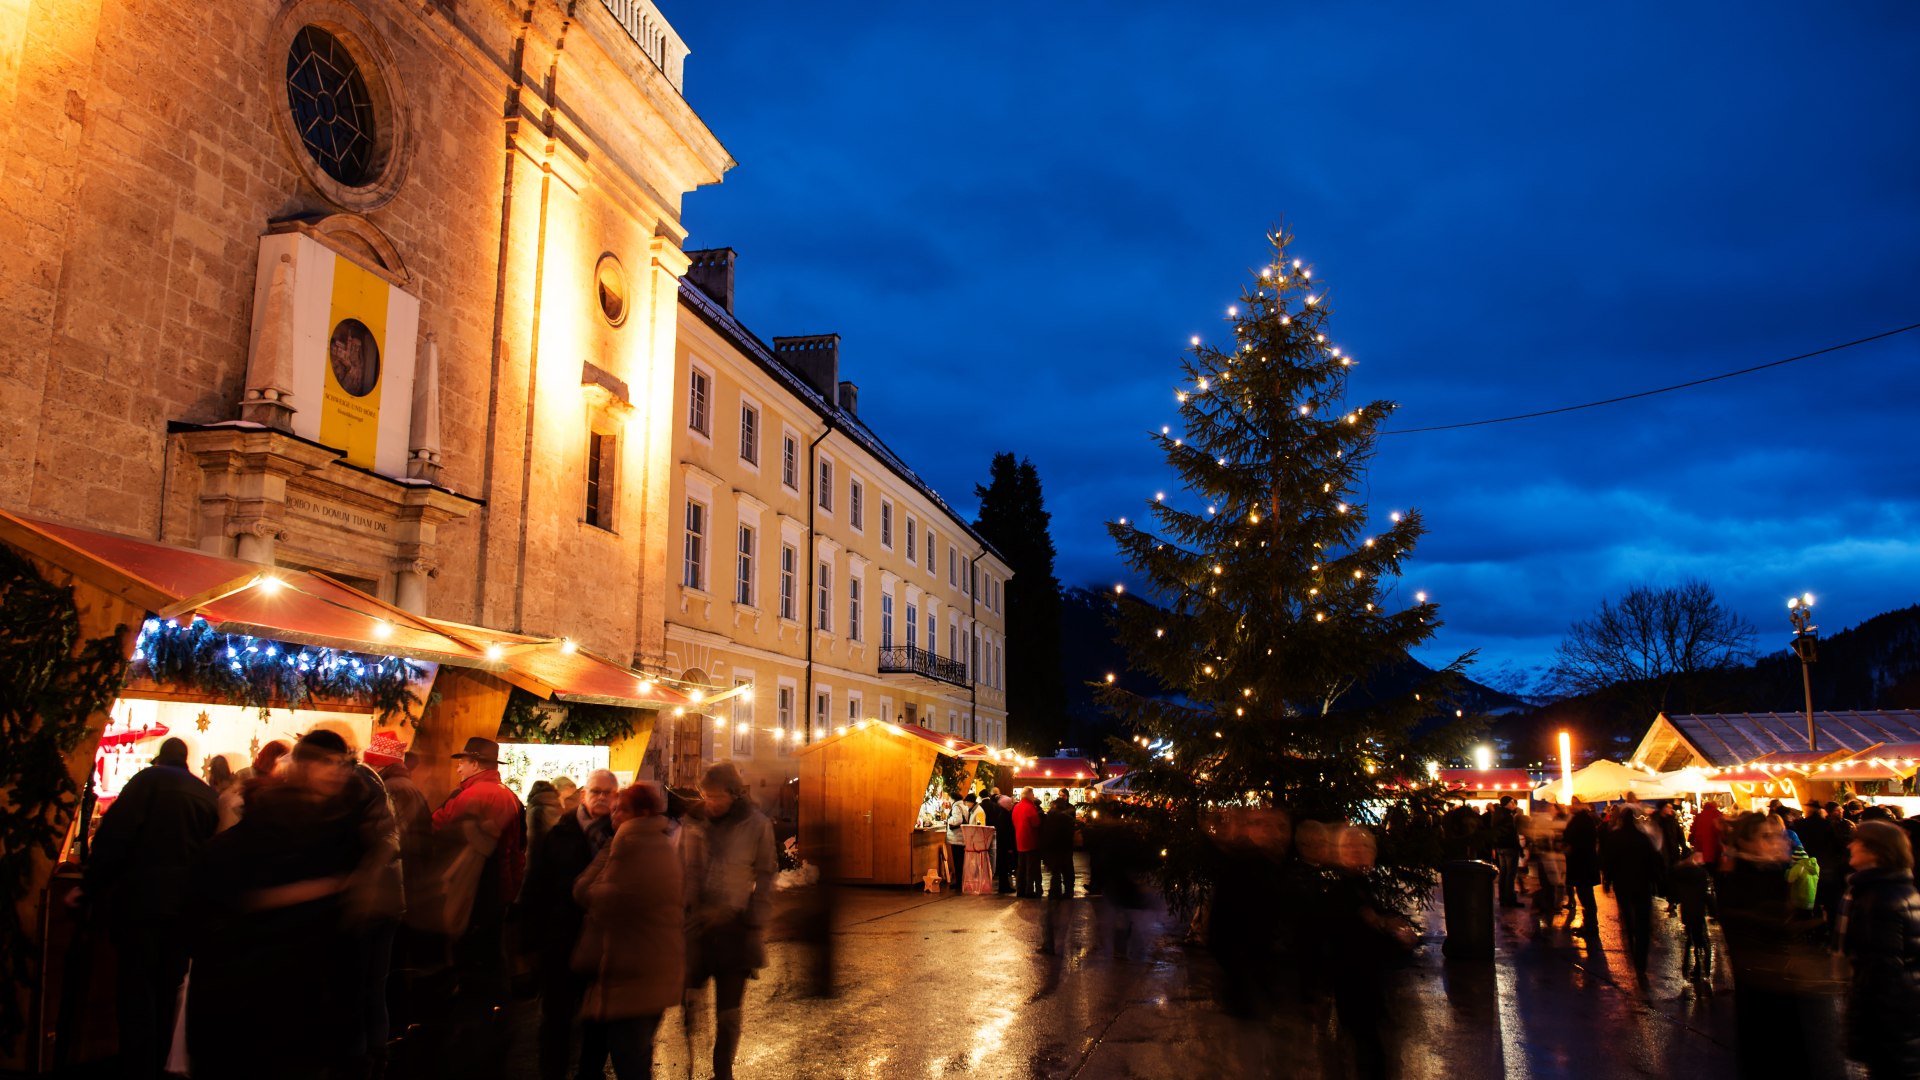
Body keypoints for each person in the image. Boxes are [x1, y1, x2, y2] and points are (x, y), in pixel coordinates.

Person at [187, 729, 368, 1080]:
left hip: (305, 1004)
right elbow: (222, 906)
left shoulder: (342, 829)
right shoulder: (269, 823)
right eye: (325, 763)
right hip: (251, 1002)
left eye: (340, 764)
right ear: (300, 767)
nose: (334, 772)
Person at [78, 737, 215, 1080]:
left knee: (136, 989)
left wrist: (89, 885)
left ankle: (136, 1067)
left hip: (141, 903)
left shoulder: (146, 783)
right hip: (184, 908)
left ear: (159, 757)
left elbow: (115, 838)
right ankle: (161, 1063)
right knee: (169, 989)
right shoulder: (204, 793)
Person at [572, 783, 683, 1079]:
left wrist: (594, 890)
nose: (613, 812)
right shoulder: (627, 843)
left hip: (637, 973)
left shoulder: (640, 846)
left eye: (622, 808)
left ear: (642, 813)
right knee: (609, 1054)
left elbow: (598, 897)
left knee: (630, 1059)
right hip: (626, 971)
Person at [430, 736, 526, 1069]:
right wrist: (512, 888)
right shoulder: (510, 796)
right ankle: (497, 1011)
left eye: (462, 762)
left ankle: (473, 1033)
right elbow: (519, 850)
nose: (457, 767)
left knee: (470, 954)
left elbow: (436, 826)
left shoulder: (470, 795)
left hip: (473, 888)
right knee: (493, 952)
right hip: (500, 888)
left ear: (474, 764)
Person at [519, 768, 617, 1080]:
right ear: (584, 795)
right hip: (562, 939)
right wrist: (530, 941)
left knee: (599, 1021)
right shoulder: (560, 833)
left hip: (603, 945)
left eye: (607, 792)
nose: (601, 797)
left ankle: (590, 1073)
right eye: (595, 791)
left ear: (616, 797)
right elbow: (536, 884)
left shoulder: (621, 834)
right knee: (556, 1019)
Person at [682, 762, 776, 1080]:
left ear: (734, 794)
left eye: (717, 795)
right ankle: (688, 1067)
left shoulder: (756, 825)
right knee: (690, 1006)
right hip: (696, 929)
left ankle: (722, 1072)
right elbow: (685, 870)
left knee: (729, 1014)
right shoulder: (694, 822)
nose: (710, 801)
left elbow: (765, 875)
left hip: (735, 931)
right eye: (705, 795)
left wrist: (755, 920)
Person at [1718, 811, 1823, 1078]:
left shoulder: (1772, 873)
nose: (1775, 842)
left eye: (1776, 835)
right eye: (1765, 837)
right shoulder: (1741, 878)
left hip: (1782, 990)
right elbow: (1749, 933)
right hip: (1764, 995)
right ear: (1746, 843)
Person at [1842, 820, 1920, 1078]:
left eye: (1858, 841)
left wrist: (1869, 1023)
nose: (1850, 845)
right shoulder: (1896, 889)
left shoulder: (1879, 897)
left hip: (1892, 1016)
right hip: (1904, 1009)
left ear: (1876, 850)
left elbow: (1882, 967)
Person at [1601, 804, 1664, 975]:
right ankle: (1640, 959)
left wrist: (1607, 880)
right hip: (1642, 883)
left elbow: (1608, 860)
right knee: (1643, 920)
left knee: (1628, 917)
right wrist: (1656, 880)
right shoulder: (1643, 838)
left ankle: (1631, 945)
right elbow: (1653, 861)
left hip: (1623, 883)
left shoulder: (1614, 837)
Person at [1562, 798, 1601, 933]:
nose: (1571, 806)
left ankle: (1591, 926)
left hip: (1582, 864)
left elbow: (1574, 838)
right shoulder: (1581, 819)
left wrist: (1569, 845)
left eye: (1574, 804)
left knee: (1586, 895)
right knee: (1585, 894)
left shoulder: (1582, 820)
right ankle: (1590, 924)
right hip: (1582, 863)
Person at [1489, 796, 1523, 907]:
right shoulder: (1508, 815)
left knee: (1503, 873)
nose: (1513, 804)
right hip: (1510, 847)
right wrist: (1518, 847)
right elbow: (1512, 834)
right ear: (1507, 803)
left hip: (1500, 847)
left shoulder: (1496, 814)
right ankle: (1510, 899)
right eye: (1512, 802)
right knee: (1510, 874)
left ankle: (1503, 898)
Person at [982, 788, 1016, 894]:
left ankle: (1004, 886)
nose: (1012, 805)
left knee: (1003, 866)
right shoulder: (1005, 816)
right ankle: (1004, 886)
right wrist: (1010, 846)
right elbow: (1007, 832)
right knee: (1004, 866)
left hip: (1001, 843)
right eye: (1010, 803)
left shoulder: (1001, 814)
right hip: (1004, 845)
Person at [1043, 795, 1077, 898]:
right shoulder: (1068, 819)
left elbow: (1046, 833)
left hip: (1053, 848)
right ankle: (1068, 891)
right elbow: (1071, 833)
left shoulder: (1049, 817)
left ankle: (1055, 891)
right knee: (1067, 871)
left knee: (1056, 872)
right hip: (1065, 847)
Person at [1013, 789, 1043, 898]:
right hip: (1030, 840)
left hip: (1019, 840)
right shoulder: (1030, 807)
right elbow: (1036, 823)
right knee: (1031, 868)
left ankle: (1020, 890)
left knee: (1021, 867)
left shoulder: (1017, 807)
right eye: (1033, 794)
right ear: (1029, 795)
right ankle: (1029, 891)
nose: (1034, 796)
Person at [525, 779, 564, 859]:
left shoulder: (533, 809)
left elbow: (533, 841)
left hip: (538, 859)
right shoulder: (558, 806)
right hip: (557, 859)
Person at [945, 791, 970, 887]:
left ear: (953, 798)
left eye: (949, 798)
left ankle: (959, 882)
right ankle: (961, 880)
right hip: (961, 836)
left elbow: (957, 820)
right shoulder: (963, 806)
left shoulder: (956, 807)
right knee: (961, 860)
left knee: (957, 861)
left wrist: (948, 820)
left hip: (956, 837)